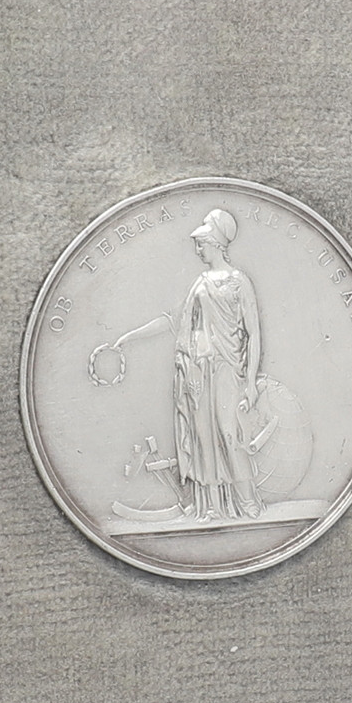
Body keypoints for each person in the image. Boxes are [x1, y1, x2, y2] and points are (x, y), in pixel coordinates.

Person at [114, 208, 265, 521]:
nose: (197, 250)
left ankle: (248, 501)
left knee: (229, 433)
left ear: (216, 244)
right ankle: (210, 505)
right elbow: (174, 322)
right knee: (202, 438)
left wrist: (250, 382)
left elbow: (253, 334)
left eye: (201, 243)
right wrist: (129, 338)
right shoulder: (199, 285)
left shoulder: (239, 282)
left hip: (227, 369)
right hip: (196, 372)